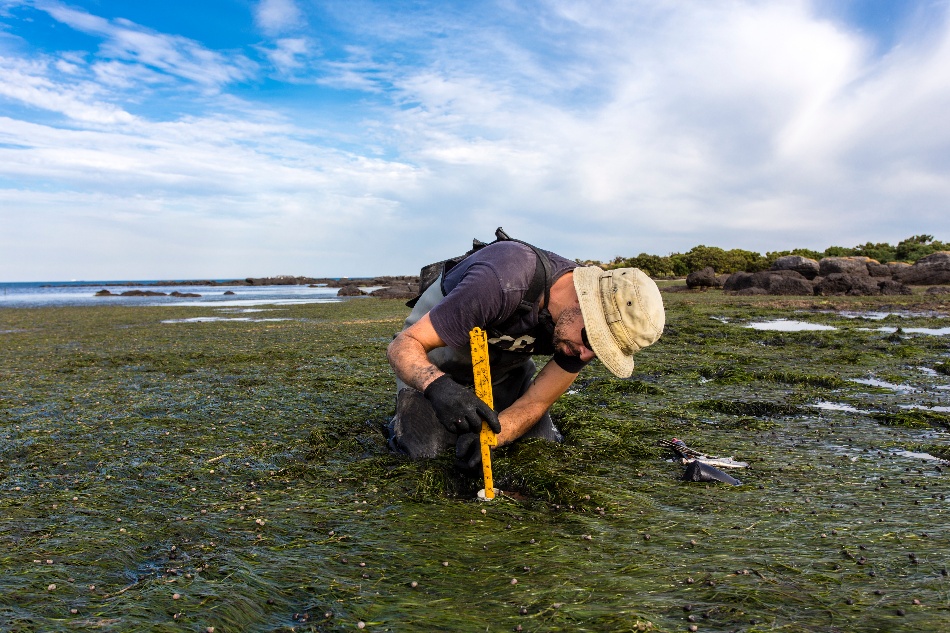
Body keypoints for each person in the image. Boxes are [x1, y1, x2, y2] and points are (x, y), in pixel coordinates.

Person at [386, 234, 665, 470]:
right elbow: (403, 346)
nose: (585, 356)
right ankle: (402, 416)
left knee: (541, 449)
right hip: (434, 364)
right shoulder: (504, 279)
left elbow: (536, 402)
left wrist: (495, 437)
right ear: (584, 303)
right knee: (425, 453)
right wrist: (437, 387)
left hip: (505, 375)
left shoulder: (579, 339)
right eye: (593, 341)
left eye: (600, 352)